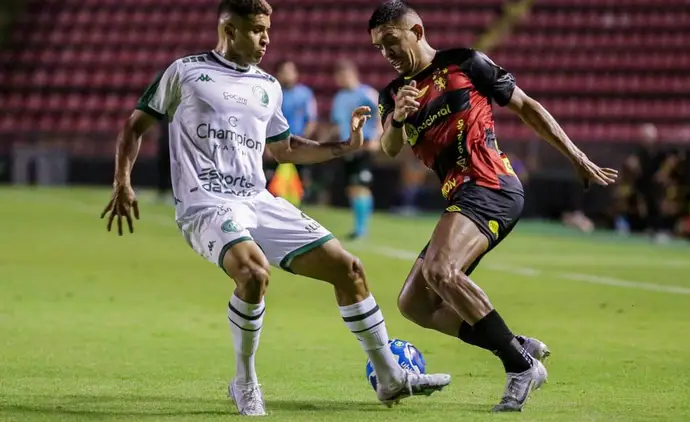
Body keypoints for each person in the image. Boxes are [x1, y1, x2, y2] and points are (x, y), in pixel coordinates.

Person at [100, 0, 450, 416]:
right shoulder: (185, 72)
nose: (266, 38)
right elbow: (134, 125)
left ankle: (390, 378)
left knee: (349, 269)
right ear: (229, 30)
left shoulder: (268, 86)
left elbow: (284, 149)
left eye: (268, 29)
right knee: (253, 273)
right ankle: (244, 381)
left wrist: (345, 145)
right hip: (206, 202)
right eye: (256, 30)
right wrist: (123, 181)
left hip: (257, 199)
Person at [369, 0, 618, 412]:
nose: (387, 53)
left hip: (492, 185)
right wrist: (397, 118)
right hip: (460, 196)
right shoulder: (394, 95)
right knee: (414, 302)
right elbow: (389, 149)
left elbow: (528, 108)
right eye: (379, 47)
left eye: (392, 41)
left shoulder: (466, 63)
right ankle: (515, 345)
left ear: (416, 31)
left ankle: (519, 366)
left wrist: (578, 157)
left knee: (440, 272)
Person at [330, 59, 382, 239]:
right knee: (352, 188)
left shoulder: (367, 94)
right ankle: (358, 227)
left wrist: (376, 138)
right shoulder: (339, 98)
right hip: (348, 146)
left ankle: (362, 229)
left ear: (352, 74)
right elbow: (338, 124)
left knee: (361, 186)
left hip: (364, 145)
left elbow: (381, 115)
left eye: (343, 75)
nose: (340, 80)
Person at [272, 59, 318, 200]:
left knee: (299, 186)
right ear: (278, 74)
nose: (289, 75)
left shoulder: (305, 94)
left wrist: (301, 141)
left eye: (291, 71)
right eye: (285, 72)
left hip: (297, 145)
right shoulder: (273, 93)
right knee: (275, 186)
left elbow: (311, 121)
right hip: (276, 145)